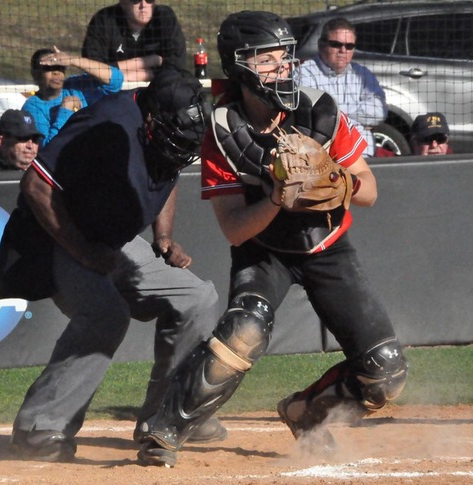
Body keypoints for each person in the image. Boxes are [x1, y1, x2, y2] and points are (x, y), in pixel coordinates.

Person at [137, 11, 409, 468]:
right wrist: (279, 198)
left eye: (285, 59)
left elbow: (370, 191)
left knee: (385, 371)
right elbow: (234, 228)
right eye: (268, 60)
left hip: (328, 247)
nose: (282, 69)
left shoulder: (318, 108)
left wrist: (339, 182)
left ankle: (307, 412)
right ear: (240, 66)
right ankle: (164, 430)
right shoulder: (223, 132)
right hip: (264, 251)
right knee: (242, 333)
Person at [0, 67, 226, 463]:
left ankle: (166, 419)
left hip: (112, 242)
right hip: (53, 240)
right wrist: (85, 253)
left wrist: (163, 237)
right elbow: (36, 185)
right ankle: (40, 428)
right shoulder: (110, 121)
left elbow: (166, 173)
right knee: (106, 313)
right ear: (151, 120)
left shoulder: (166, 130)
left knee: (197, 297)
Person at [299, 17, 388, 158]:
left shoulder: (362, 74)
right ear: (321, 45)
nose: (343, 50)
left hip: (364, 156)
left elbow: (379, 112)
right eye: (336, 44)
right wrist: (357, 118)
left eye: (349, 46)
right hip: (323, 158)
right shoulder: (303, 73)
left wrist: (338, 111)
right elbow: (316, 118)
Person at [23, 47, 124, 145]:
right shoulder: (33, 107)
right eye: (48, 68)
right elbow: (48, 148)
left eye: (60, 67)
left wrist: (72, 60)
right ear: (35, 74)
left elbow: (116, 80)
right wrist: (66, 111)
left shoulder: (75, 86)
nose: (56, 72)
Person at [81, 0, 186, 82]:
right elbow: (92, 67)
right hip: (112, 93)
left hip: (156, 91)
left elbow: (176, 65)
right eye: (136, 0)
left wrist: (133, 75)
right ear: (122, 2)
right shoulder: (104, 20)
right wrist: (150, 61)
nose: (143, 5)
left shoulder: (164, 17)